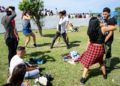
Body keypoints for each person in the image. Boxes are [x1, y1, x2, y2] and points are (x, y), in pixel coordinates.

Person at [77, 17, 116, 84]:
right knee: (101, 61)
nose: (100, 22)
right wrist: (104, 25)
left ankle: (83, 78)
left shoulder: (90, 30)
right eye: (98, 21)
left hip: (92, 48)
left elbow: (89, 40)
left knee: (87, 63)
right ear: (97, 23)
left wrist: (86, 49)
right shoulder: (103, 29)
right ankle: (104, 75)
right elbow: (114, 28)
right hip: (100, 49)